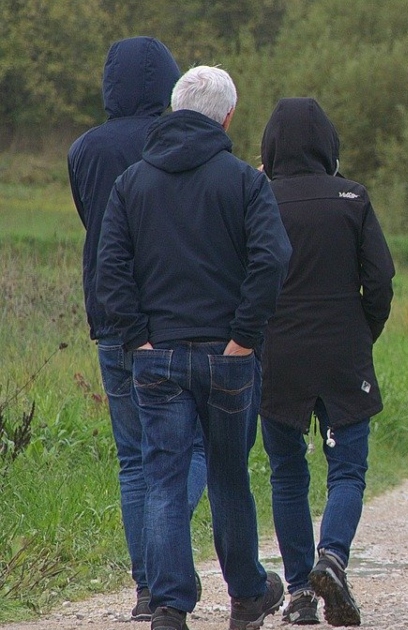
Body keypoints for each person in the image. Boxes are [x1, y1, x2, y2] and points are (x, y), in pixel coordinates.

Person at [96, 65, 292, 630]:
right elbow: (272, 259)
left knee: (162, 476)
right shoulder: (245, 182)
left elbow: (110, 269)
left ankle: (169, 605)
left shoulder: (132, 183)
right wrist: (244, 337)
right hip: (226, 358)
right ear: (227, 117)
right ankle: (246, 598)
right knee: (230, 476)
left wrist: (137, 336)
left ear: (173, 111)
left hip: (156, 358)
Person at [65, 36, 208, 621]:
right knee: (189, 447)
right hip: (172, 314)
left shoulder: (84, 150)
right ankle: (164, 555)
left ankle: (148, 587)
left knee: (133, 458)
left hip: (110, 317)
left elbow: (91, 222)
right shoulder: (173, 140)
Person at [257, 97, 395, 627]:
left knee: (287, 472)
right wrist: (364, 331)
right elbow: (379, 280)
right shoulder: (352, 197)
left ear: (270, 146)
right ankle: (332, 558)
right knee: (348, 470)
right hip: (343, 351)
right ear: (328, 143)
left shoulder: (258, 199)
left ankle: (297, 594)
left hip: (278, 353)